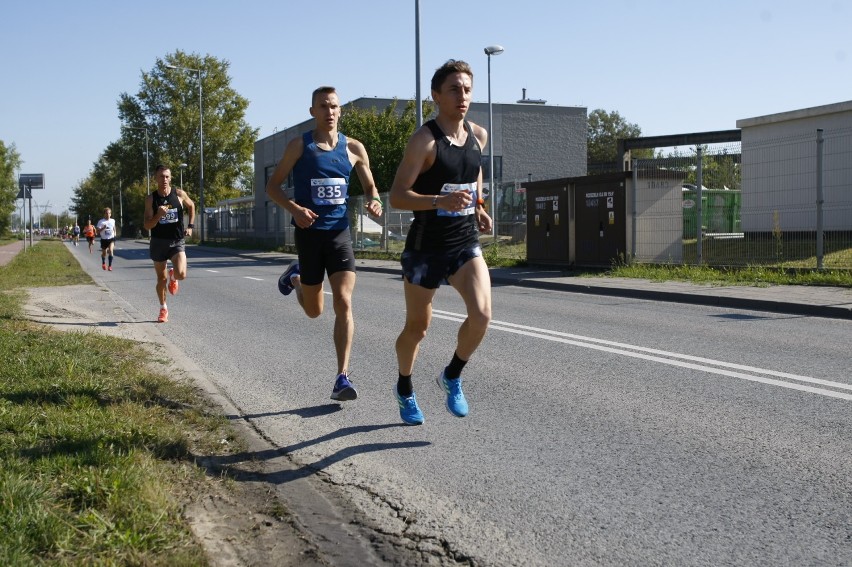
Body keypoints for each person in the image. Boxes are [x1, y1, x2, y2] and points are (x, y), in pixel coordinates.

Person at [389, 60, 493, 426]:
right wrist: (438, 201)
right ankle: (404, 387)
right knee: (417, 328)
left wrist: (478, 206)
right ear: (436, 95)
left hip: (465, 242)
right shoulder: (425, 140)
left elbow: (473, 170)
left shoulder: (478, 135)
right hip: (426, 247)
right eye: (454, 89)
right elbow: (398, 197)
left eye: (467, 89)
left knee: (481, 316)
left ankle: (451, 375)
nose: (462, 96)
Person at [266, 86, 383, 402]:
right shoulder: (299, 147)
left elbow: (371, 186)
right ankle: (296, 278)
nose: (329, 111)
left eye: (334, 106)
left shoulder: (354, 148)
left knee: (343, 301)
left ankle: (342, 377)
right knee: (314, 311)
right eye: (323, 106)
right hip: (309, 235)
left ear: (340, 110)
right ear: (312, 111)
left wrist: (375, 203)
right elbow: (272, 187)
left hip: (339, 235)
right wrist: (294, 209)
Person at [142, 164, 196, 324]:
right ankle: (163, 308)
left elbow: (192, 205)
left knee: (182, 274)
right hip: (158, 242)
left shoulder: (178, 194)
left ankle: (174, 276)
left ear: (170, 178)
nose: (164, 179)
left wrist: (191, 226)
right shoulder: (151, 199)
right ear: (155, 178)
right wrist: (158, 215)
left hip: (176, 241)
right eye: (161, 176)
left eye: (167, 176)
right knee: (161, 279)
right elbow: (147, 225)